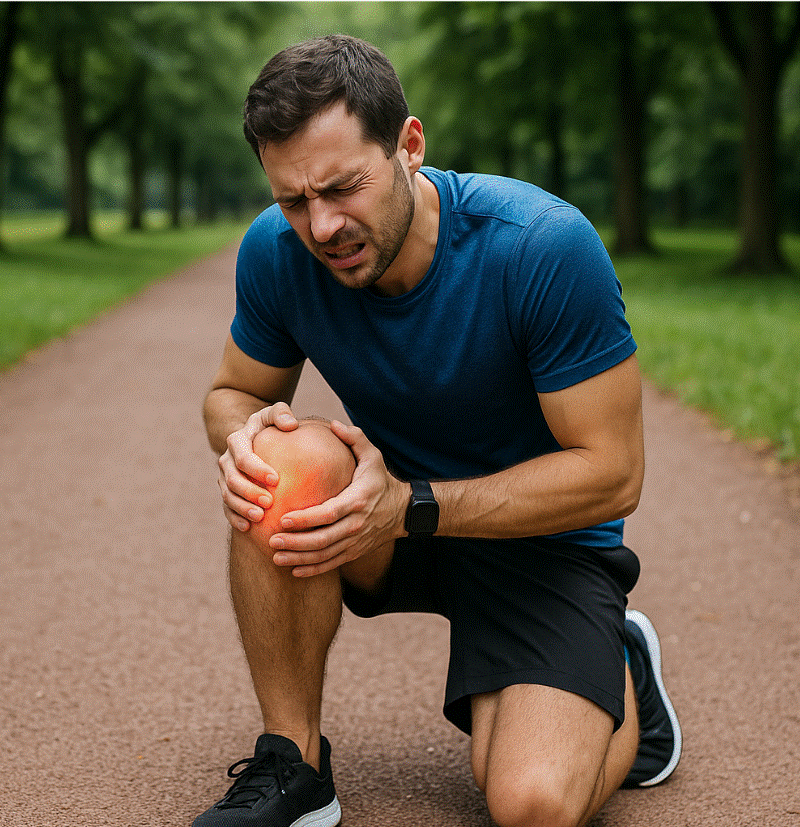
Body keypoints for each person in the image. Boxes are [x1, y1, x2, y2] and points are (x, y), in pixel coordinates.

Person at [197, 34, 681, 827]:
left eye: (342, 187)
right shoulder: (277, 252)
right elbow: (232, 393)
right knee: (285, 459)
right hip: (388, 526)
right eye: (293, 200)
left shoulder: (540, 246)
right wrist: (247, 437)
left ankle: (621, 666)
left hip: (541, 541)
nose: (321, 226)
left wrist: (411, 504)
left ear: (408, 146)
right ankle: (294, 763)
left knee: (529, 806)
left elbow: (611, 473)